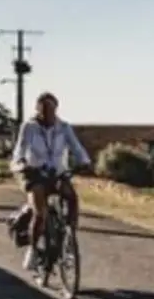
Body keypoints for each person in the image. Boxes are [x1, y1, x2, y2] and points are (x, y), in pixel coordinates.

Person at [9, 92, 92, 271]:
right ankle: (32, 249)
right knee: (40, 212)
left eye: (51, 109)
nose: (48, 113)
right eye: (44, 109)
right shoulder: (29, 127)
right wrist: (21, 165)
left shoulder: (63, 127)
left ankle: (69, 236)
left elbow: (76, 147)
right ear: (38, 110)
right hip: (34, 173)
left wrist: (84, 161)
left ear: (56, 109)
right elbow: (19, 152)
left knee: (71, 197)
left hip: (57, 173)